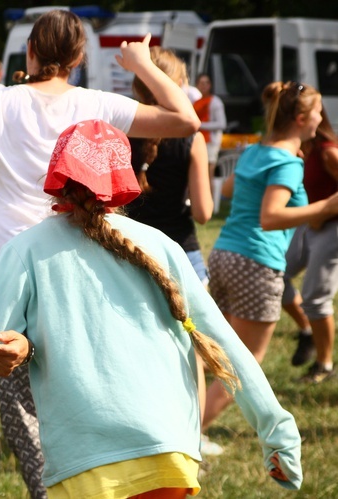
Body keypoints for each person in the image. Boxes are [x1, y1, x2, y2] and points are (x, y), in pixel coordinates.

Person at [0, 119, 303, 497]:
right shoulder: (161, 245)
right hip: (171, 452)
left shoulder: (25, 249)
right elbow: (226, 343)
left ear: (58, 175)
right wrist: (278, 432)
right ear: (124, 180)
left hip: (87, 464)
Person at [0, 9, 200, 497]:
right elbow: (184, 118)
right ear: (80, 58)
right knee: (82, 387)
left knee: (22, 407)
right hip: (83, 263)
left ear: (30, 53)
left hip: (7, 273)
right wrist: (142, 64)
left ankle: (50, 488)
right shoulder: (97, 103)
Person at [203, 82, 338, 432]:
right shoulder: (288, 162)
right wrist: (325, 205)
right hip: (255, 263)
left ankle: (180, 427)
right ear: (301, 118)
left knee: (215, 356)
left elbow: (231, 190)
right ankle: (187, 438)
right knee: (245, 365)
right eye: (319, 112)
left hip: (223, 255)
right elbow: (270, 217)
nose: (322, 118)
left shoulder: (256, 151)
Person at [123, 47, 218, 456]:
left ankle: (140, 432)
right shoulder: (191, 139)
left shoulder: (121, 131)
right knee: (190, 350)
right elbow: (204, 210)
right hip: (184, 254)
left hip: (131, 254)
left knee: (137, 349)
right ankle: (191, 437)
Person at [280, 108, 338, 382]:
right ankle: (307, 331)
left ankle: (324, 365)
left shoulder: (328, 152)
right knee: (275, 274)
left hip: (331, 227)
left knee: (316, 297)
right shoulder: (302, 148)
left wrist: (323, 213)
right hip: (310, 224)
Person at [193, 73, 227, 182]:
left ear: (210, 85)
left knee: (208, 175)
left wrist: (200, 125)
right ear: (197, 85)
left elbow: (222, 124)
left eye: (206, 83)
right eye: (201, 83)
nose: (204, 86)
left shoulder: (215, 101)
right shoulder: (196, 102)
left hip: (211, 142)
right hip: (198, 140)